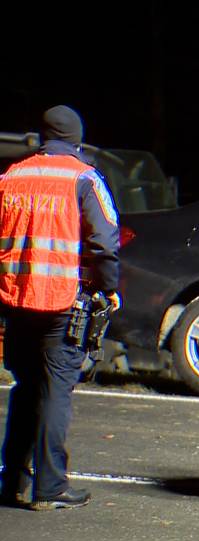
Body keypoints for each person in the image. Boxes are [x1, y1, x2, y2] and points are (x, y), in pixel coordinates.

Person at [0, 105, 121, 510]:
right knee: (55, 391)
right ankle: (50, 487)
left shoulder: (11, 176)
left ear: (40, 137)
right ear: (77, 140)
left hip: (15, 299)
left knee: (25, 388)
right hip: (61, 301)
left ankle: (12, 480)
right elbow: (105, 241)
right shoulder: (84, 177)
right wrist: (109, 288)